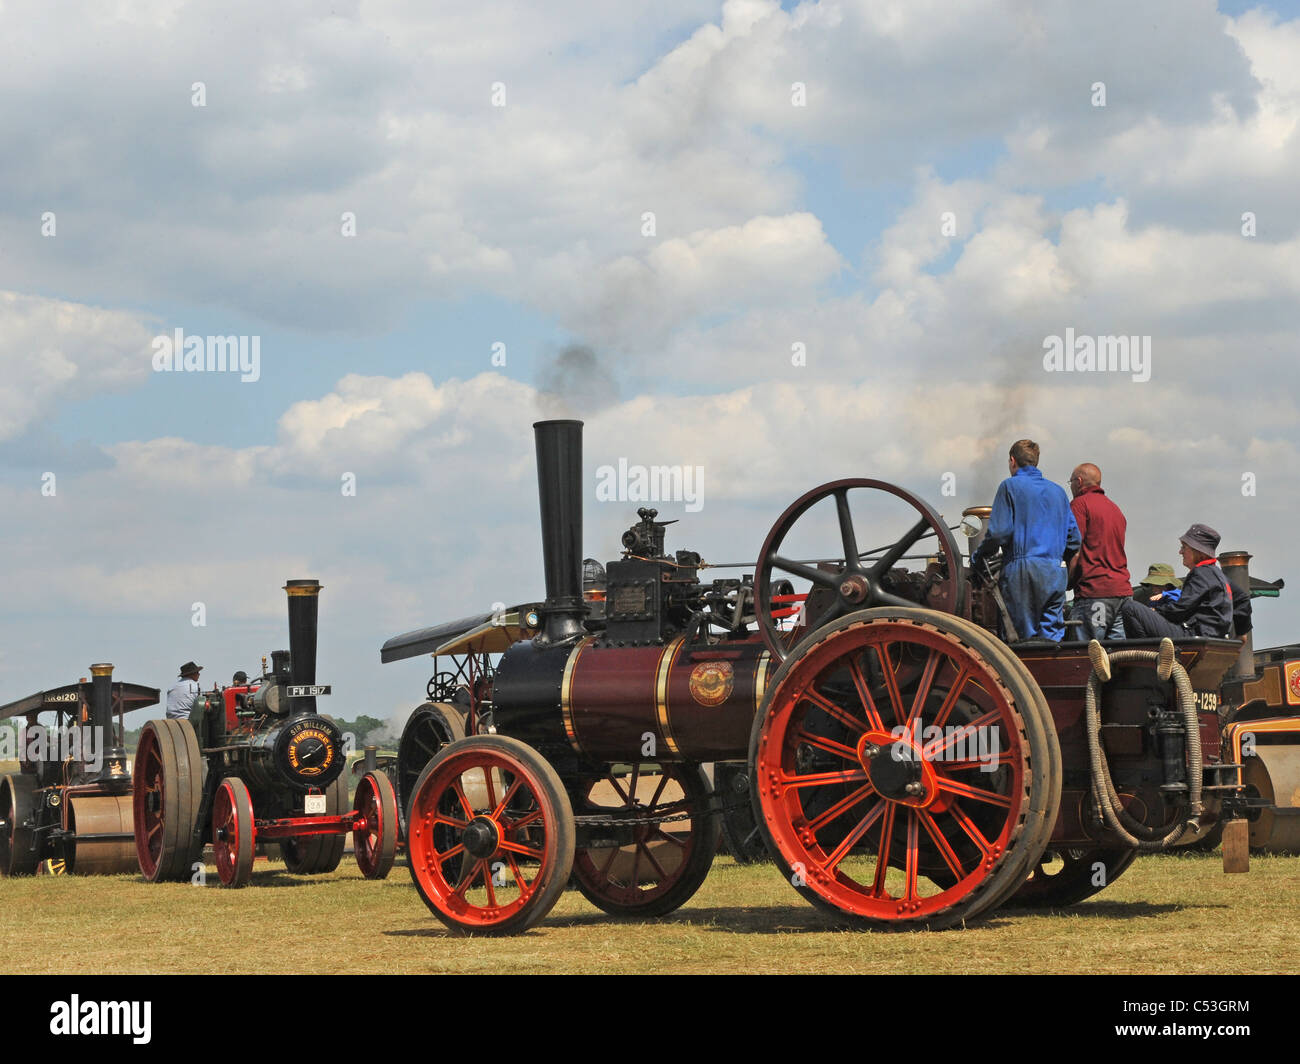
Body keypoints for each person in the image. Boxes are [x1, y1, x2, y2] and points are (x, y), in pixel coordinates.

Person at [972, 439, 1080, 641]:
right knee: (1052, 637)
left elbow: (998, 533)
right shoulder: (1058, 492)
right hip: (1055, 572)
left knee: (1020, 638)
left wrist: (978, 557)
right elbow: (1074, 540)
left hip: (1022, 572)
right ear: (1036, 461)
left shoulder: (1009, 486)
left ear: (1012, 461)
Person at [1119, 525, 1232, 638]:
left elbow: (1181, 610)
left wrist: (1154, 612)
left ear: (1197, 551)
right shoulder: (1217, 574)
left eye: (1184, 547)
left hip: (1193, 634)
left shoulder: (1201, 573)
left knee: (1130, 607)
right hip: (1211, 634)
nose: (1180, 552)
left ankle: (1144, 653)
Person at [1065, 463, 1131, 641]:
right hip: (1123, 596)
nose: (1070, 486)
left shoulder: (1079, 505)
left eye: (1070, 482)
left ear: (1078, 482)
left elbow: (1074, 548)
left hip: (1095, 595)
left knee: (1086, 656)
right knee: (1118, 657)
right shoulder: (1115, 509)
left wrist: (1067, 582)